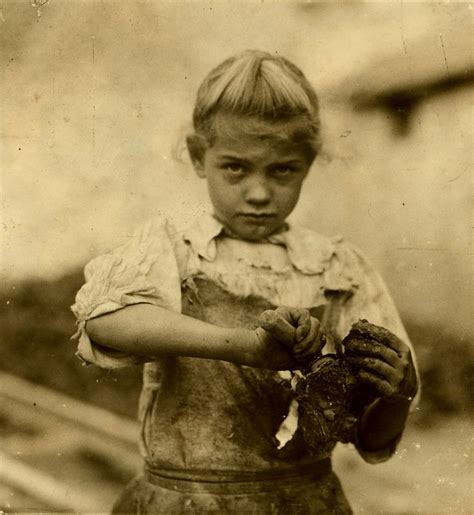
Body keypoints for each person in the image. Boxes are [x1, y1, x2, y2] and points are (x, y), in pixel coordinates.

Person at [71, 50, 419, 514]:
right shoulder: (174, 247)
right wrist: (241, 347)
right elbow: (103, 320)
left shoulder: (338, 267)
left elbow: (371, 439)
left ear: (308, 162)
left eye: (283, 170)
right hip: (183, 502)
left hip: (304, 502)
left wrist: (399, 391)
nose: (258, 193)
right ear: (199, 157)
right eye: (235, 167)